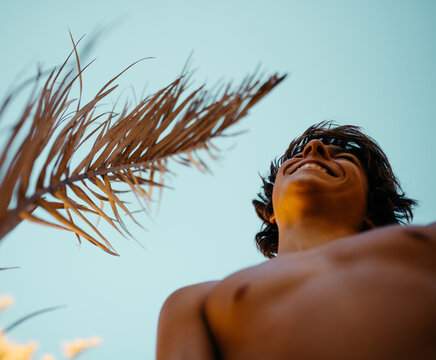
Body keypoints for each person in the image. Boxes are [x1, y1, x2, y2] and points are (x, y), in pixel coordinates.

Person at [156, 122, 436, 360]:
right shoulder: (196, 301)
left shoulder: (423, 242)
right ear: (271, 212)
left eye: (344, 158)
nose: (313, 148)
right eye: (299, 155)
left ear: (372, 210)